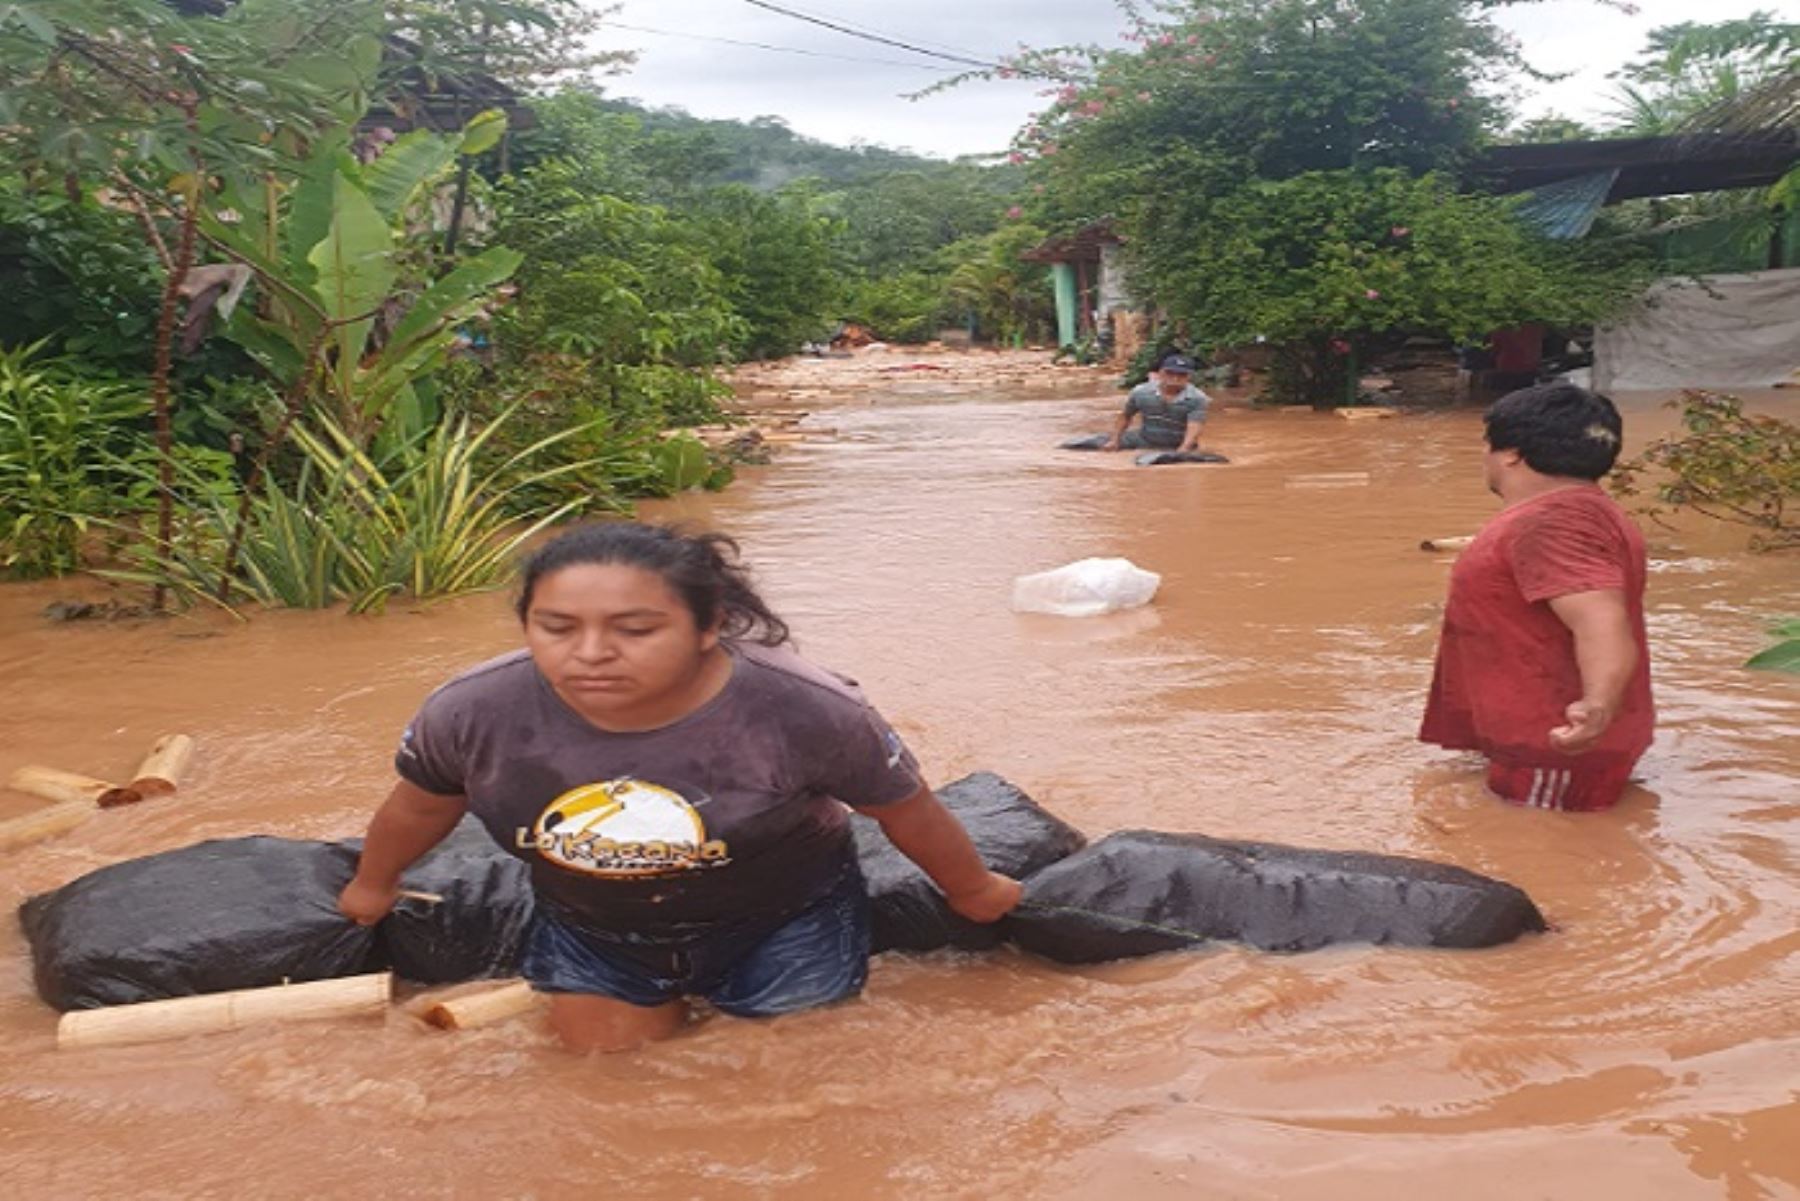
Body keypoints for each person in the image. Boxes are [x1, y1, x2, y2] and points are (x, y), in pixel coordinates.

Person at [338, 523, 1023, 1052]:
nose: (591, 652)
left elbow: (904, 809)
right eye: (556, 627)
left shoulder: (804, 708)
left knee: (781, 1080)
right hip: (593, 926)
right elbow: (421, 802)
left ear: (710, 624)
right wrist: (373, 883)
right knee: (606, 1076)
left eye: (634, 629)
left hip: (785, 916)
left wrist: (972, 890)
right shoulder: (473, 710)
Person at [1420, 383, 1655, 812]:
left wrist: (1596, 707)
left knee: (1549, 863)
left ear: (1510, 453)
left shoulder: (1553, 521)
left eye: (1487, 445)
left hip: (1554, 745)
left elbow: (1599, 620)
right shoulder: (1581, 509)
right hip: (1544, 742)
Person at [1102, 353, 1212, 452]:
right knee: (1092, 443)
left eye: (1181, 375)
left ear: (1189, 377)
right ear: (1160, 373)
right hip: (1143, 440)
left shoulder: (1197, 398)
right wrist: (1114, 440)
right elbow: (1126, 416)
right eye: (1170, 373)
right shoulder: (1141, 392)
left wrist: (1184, 448)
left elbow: (1194, 427)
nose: (1175, 378)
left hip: (1175, 445)